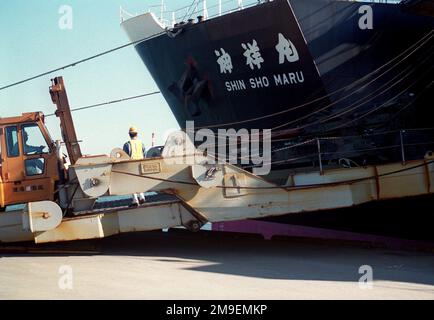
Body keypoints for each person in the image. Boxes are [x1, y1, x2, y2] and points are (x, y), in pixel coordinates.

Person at [123, 126, 146, 206]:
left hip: (131, 165)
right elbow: (144, 155)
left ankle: (135, 199)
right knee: (140, 181)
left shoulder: (127, 144)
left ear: (129, 134)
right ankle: (142, 196)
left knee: (131, 182)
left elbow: (124, 157)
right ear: (137, 134)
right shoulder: (141, 144)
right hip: (140, 165)